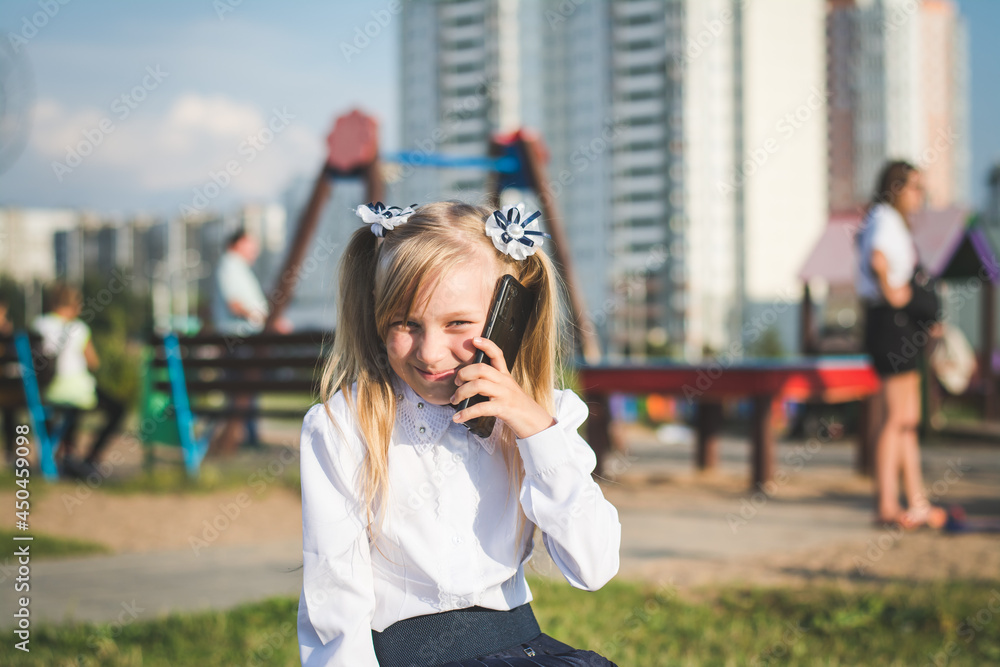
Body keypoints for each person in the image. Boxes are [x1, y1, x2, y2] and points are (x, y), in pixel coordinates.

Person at [298, 201, 622, 666]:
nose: (429, 353)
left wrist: (536, 432)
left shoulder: (546, 421)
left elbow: (593, 567)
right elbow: (334, 598)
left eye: (457, 324)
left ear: (506, 317)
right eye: (405, 323)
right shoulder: (344, 427)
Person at [856, 160, 946, 530]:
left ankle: (917, 502)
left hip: (899, 326)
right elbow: (878, 260)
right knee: (894, 419)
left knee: (907, 419)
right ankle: (887, 505)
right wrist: (892, 292)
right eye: (914, 188)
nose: (919, 196)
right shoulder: (883, 218)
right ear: (895, 188)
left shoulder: (891, 223)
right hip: (889, 325)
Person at [32, 283, 125, 479]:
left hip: (42, 391)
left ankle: (66, 455)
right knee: (115, 408)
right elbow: (94, 363)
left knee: (68, 412)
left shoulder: (38, 324)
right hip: (74, 391)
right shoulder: (78, 328)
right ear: (74, 305)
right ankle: (89, 458)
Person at [211, 228, 291, 452]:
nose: (255, 250)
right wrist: (268, 321)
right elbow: (235, 305)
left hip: (241, 339)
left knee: (244, 389)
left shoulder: (236, 267)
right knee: (245, 388)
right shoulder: (230, 265)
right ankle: (247, 438)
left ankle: (247, 437)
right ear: (237, 244)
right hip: (239, 339)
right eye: (250, 245)